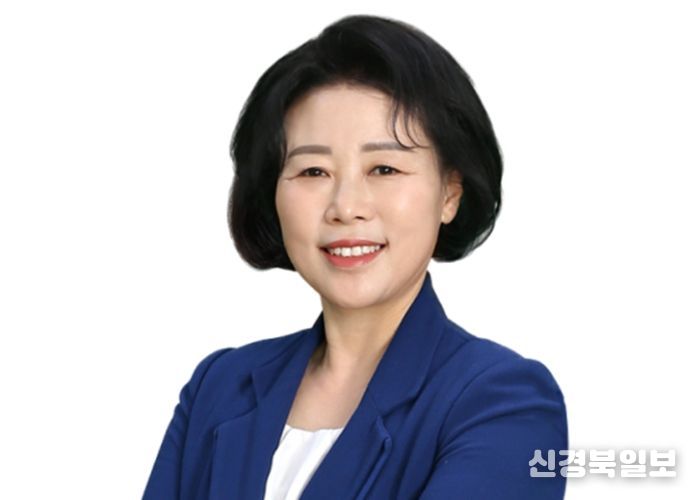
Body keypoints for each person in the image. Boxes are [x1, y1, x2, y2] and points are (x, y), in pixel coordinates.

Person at [143, 14, 568, 500]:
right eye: (313, 171)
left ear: (450, 192)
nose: (346, 207)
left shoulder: (505, 402)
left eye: (384, 168)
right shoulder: (219, 386)